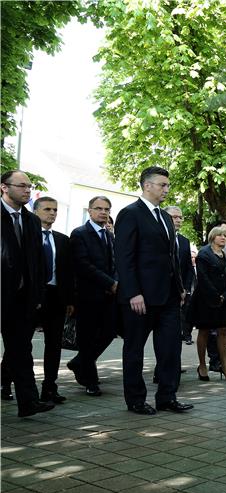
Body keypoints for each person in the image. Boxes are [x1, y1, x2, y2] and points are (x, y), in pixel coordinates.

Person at [115, 166, 192, 415]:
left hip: (169, 296)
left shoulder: (165, 218)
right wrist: (133, 292)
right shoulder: (130, 214)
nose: (166, 190)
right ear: (147, 185)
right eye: (162, 185)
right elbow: (124, 258)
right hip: (141, 297)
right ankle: (135, 399)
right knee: (135, 350)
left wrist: (180, 288)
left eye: (168, 185)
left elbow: (172, 257)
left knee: (170, 349)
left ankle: (167, 396)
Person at [0, 170, 53, 417]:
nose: (27, 190)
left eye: (30, 187)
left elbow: (38, 262)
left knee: (21, 350)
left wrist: (38, 295)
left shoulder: (31, 221)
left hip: (22, 299)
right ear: (4, 187)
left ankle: (28, 402)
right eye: (22, 186)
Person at [67, 196, 117, 397]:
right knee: (87, 338)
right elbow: (83, 265)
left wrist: (116, 281)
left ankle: (79, 362)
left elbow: (115, 263)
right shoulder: (80, 234)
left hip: (109, 295)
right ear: (89, 210)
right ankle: (90, 380)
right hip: (88, 295)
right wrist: (110, 282)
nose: (103, 212)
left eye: (106, 209)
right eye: (99, 208)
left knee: (109, 331)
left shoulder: (110, 235)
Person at [33, 197, 75, 404]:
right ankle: (7, 381)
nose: (52, 213)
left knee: (54, 345)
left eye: (55, 210)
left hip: (56, 297)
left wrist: (69, 300)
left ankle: (49, 387)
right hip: (31, 297)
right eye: (47, 209)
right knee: (22, 344)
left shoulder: (62, 239)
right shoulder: (27, 236)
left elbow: (68, 272)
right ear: (35, 211)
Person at [191, 226, 226, 381]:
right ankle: (202, 366)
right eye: (220, 235)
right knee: (204, 330)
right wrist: (216, 295)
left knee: (223, 331)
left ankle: (225, 366)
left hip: (224, 299)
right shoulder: (204, 253)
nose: (223, 237)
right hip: (206, 299)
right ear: (212, 237)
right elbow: (202, 278)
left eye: (225, 235)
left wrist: (225, 295)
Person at [164, 206, 195, 345]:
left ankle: (174, 365)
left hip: (181, 292)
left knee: (176, 328)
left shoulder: (184, 241)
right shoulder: (159, 237)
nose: (178, 220)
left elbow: (188, 267)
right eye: (174, 217)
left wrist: (186, 289)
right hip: (163, 291)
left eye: (180, 217)